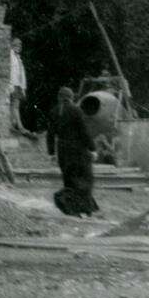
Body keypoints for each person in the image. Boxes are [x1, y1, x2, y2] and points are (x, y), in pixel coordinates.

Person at [52, 88, 99, 217]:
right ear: (71, 98)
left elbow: (50, 134)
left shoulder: (54, 111)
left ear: (59, 98)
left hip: (62, 150)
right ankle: (65, 200)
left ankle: (76, 209)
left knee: (69, 180)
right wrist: (93, 149)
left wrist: (51, 153)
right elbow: (84, 132)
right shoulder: (76, 111)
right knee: (85, 180)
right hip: (78, 150)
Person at [8, 38, 30, 135]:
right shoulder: (10, 56)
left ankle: (13, 124)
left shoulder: (18, 59)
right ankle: (19, 125)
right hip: (13, 84)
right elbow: (9, 72)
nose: (19, 47)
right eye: (17, 45)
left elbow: (22, 74)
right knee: (15, 105)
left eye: (20, 46)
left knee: (15, 105)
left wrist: (23, 88)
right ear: (13, 46)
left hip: (18, 85)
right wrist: (10, 85)